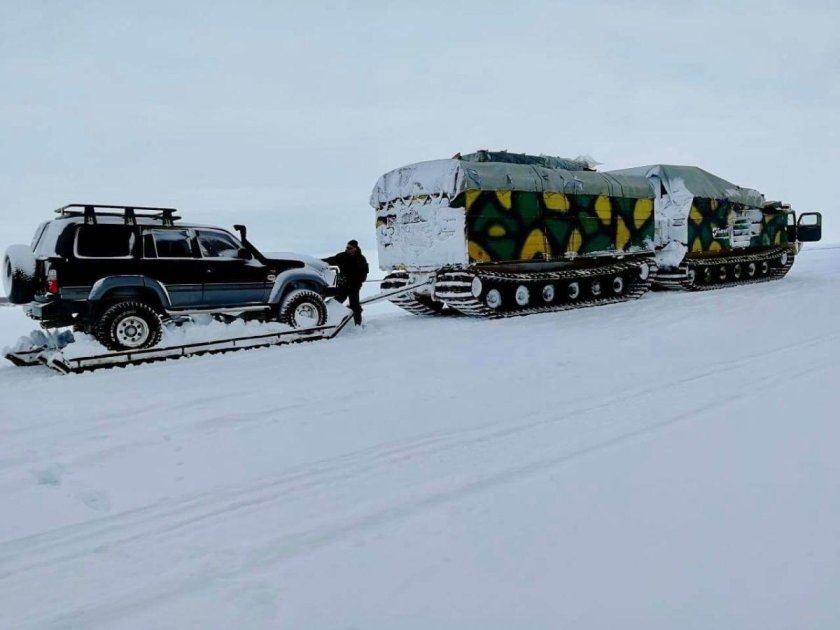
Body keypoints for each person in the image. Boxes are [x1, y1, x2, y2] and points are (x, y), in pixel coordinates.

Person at [324, 240, 369, 325]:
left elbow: (364, 272)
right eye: (347, 247)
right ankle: (325, 319)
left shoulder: (361, 259)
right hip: (343, 285)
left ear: (355, 248)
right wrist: (317, 262)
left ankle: (358, 325)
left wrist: (358, 282)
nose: (347, 249)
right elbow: (330, 260)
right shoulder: (342, 256)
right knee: (336, 302)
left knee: (355, 305)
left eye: (349, 248)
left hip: (354, 287)